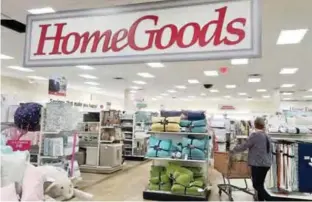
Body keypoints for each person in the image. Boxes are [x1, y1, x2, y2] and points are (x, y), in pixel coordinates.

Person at [230, 117, 272, 201]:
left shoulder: (255, 135)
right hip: (266, 164)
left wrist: (233, 150)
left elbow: (245, 146)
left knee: (256, 185)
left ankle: (271, 199)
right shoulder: (267, 136)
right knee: (260, 184)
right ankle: (261, 200)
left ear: (255, 124)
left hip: (258, 164)